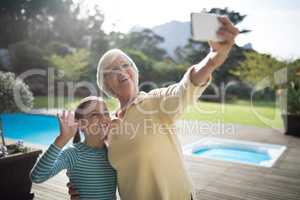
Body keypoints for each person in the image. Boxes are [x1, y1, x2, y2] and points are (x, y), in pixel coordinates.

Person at [69, 16, 239, 200]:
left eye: (125, 65)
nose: (121, 71)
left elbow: (185, 88)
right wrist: (83, 186)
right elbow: (100, 166)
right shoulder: (106, 124)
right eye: (111, 70)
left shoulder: (155, 102)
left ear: (134, 72)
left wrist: (211, 61)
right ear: (106, 85)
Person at [31, 96, 117, 200]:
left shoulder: (114, 152)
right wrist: (62, 139)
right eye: (95, 114)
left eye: (106, 113)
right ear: (81, 124)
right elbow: (37, 176)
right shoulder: (73, 154)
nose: (104, 118)